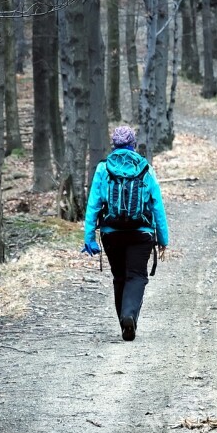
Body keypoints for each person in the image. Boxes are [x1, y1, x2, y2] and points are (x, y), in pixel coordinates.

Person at [82, 126, 169, 341]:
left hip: (112, 233)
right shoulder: (145, 168)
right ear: (133, 144)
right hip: (141, 233)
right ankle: (129, 315)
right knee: (137, 276)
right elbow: (157, 205)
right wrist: (163, 239)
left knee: (119, 276)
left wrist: (89, 237)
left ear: (114, 144)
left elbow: (93, 205)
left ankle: (124, 320)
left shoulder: (103, 169)